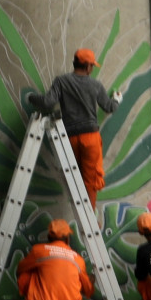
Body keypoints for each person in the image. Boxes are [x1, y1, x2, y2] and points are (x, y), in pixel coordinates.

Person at [26, 48, 121, 213]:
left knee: (75, 176)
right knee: (91, 179)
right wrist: (117, 99)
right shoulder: (95, 85)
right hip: (90, 137)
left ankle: (82, 212)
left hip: (68, 138)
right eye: (92, 66)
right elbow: (109, 107)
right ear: (88, 66)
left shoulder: (61, 82)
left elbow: (48, 103)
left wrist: (31, 97)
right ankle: (90, 215)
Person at [16, 219, 95, 300]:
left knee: (28, 272)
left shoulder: (38, 251)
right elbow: (88, 290)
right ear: (67, 238)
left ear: (49, 237)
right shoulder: (78, 259)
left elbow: (20, 269)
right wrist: (91, 281)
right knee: (80, 278)